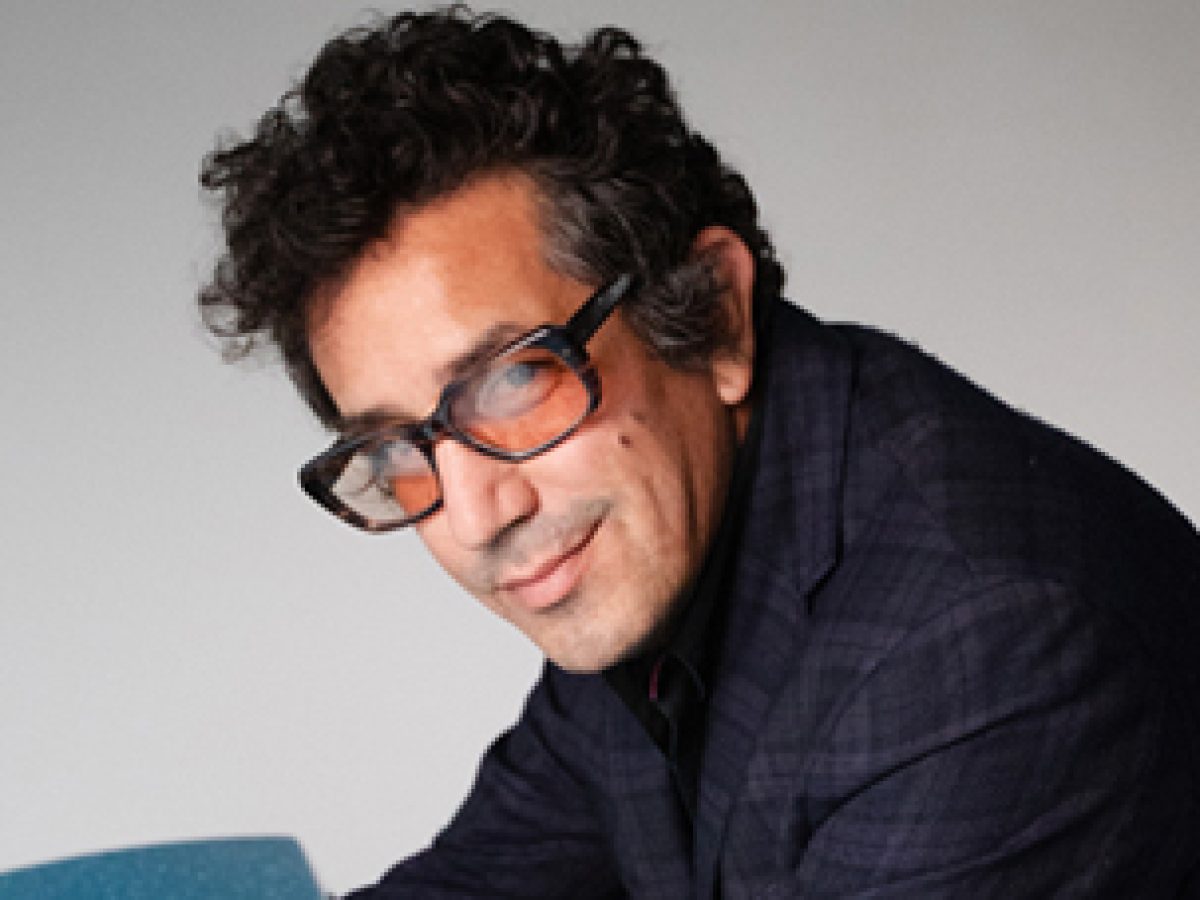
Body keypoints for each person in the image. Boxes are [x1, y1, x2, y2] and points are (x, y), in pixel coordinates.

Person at [198, 8, 1200, 897]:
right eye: (394, 444)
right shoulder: (653, 547)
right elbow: (482, 878)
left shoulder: (986, 651)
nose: (475, 516)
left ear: (714, 315)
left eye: (514, 380)